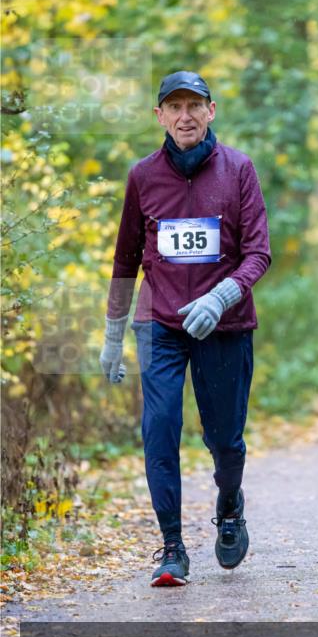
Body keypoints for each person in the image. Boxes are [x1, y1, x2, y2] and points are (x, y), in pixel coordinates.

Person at [99, 71, 271, 586]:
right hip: (160, 326)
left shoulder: (238, 170)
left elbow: (259, 253)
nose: (185, 116)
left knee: (224, 440)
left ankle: (230, 507)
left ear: (211, 111)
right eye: (174, 107)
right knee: (158, 431)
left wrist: (221, 298)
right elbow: (126, 257)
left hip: (226, 326)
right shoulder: (143, 176)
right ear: (160, 117)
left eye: (194, 105)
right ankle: (172, 548)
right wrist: (113, 333)